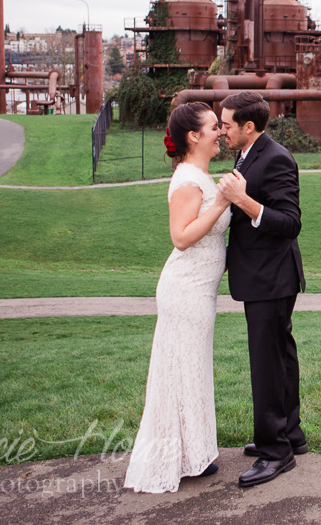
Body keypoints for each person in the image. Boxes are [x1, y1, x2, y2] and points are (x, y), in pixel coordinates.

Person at [124, 102, 232, 493]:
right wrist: (221, 202)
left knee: (192, 369)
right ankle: (177, 457)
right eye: (214, 127)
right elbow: (181, 237)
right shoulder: (188, 180)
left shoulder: (199, 174)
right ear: (194, 136)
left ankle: (194, 454)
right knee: (182, 370)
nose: (221, 132)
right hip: (185, 289)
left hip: (200, 290)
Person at [217, 91, 307, 488]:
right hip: (262, 275)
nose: (221, 131)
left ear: (248, 127)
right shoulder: (248, 153)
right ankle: (291, 434)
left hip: (272, 278)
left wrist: (245, 202)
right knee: (281, 355)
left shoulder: (277, 158)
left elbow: (290, 223)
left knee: (267, 363)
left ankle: (276, 452)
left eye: (226, 125)